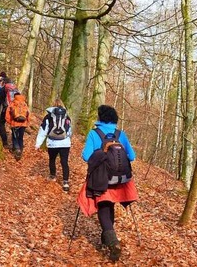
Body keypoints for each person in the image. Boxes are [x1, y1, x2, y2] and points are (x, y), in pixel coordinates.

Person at [76, 105, 137, 262]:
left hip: (101, 178)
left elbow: (86, 156)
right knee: (110, 206)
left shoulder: (94, 133)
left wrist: (101, 153)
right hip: (120, 179)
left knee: (104, 206)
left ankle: (113, 242)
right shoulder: (120, 134)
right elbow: (132, 156)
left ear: (100, 117)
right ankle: (107, 239)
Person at [34, 99, 72, 191]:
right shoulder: (67, 116)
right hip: (65, 143)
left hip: (52, 143)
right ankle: (66, 182)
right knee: (64, 162)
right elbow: (69, 131)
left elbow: (43, 130)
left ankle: (53, 176)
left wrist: (38, 144)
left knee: (52, 159)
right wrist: (67, 138)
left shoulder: (48, 116)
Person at [5, 92, 30, 160]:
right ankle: (20, 151)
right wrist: (27, 122)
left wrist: (10, 122)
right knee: (20, 138)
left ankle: (17, 149)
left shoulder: (12, 103)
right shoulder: (24, 104)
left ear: (15, 96)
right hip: (23, 124)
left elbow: (7, 115)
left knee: (15, 137)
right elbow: (28, 114)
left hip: (15, 123)